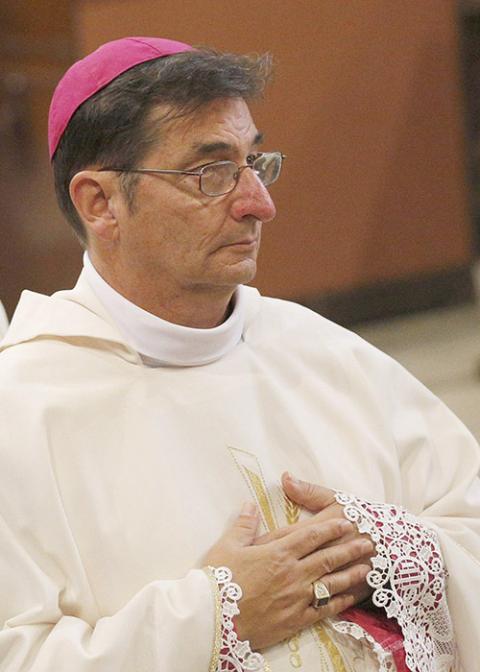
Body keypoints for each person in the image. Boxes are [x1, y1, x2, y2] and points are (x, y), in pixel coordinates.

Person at [0, 36, 478, 672]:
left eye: (256, 163)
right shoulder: (22, 409)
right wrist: (215, 618)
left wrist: (387, 551)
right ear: (101, 203)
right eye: (212, 174)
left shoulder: (321, 351)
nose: (260, 203)